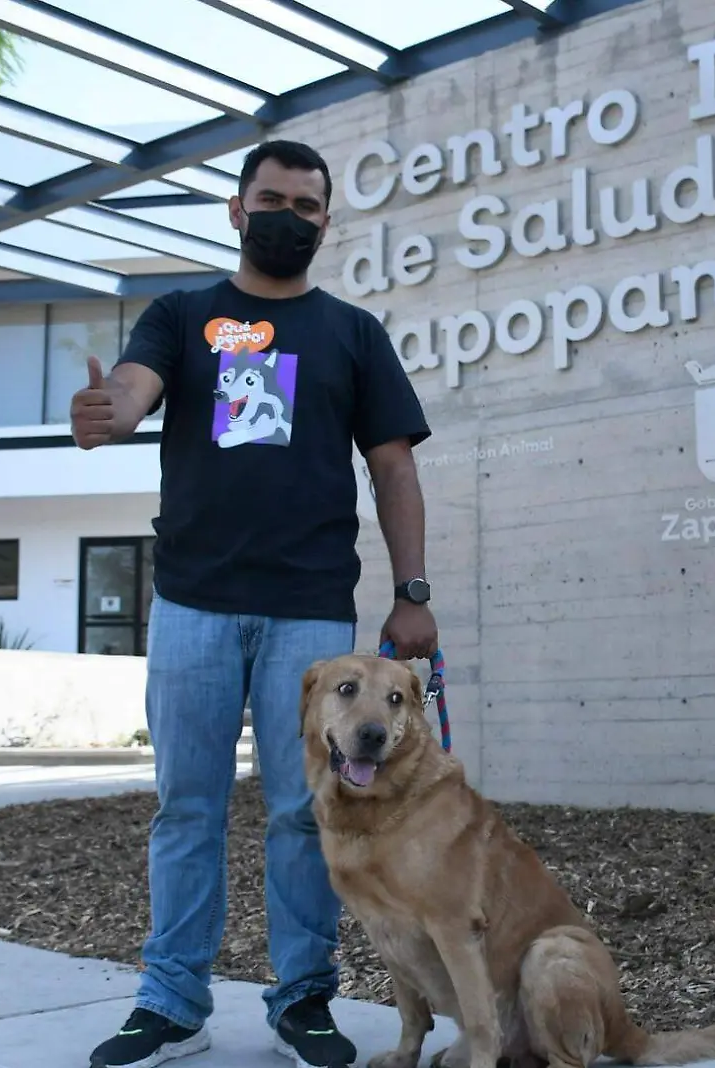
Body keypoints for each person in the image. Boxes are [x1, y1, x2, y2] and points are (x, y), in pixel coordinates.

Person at [70, 138, 438, 1068]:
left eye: (305, 205)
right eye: (269, 199)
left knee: (301, 812)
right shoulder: (184, 314)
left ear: (325, 221)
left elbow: (392, 463)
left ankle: (302, 1001)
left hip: (309, 613)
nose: (286, 216)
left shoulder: (353, 332)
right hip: (193, 604)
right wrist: (111, 409)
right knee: (185, 808)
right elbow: (134, 386)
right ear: (237, 211)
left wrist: (412, 595)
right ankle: (171, 1001)